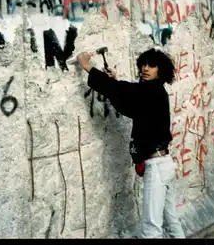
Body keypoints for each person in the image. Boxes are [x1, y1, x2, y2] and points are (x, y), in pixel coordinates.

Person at [76, 48, 186, 239]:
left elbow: (125, 92)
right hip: (164, 163)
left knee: (151, 229)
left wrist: (87, 67)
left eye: (151, 65)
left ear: (161, 70)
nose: (145, 68)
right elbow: (131, 98)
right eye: (143, 64)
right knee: (171, 221)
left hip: (157, 166)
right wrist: (114, 81)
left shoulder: (151, 91)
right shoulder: (156, 92)